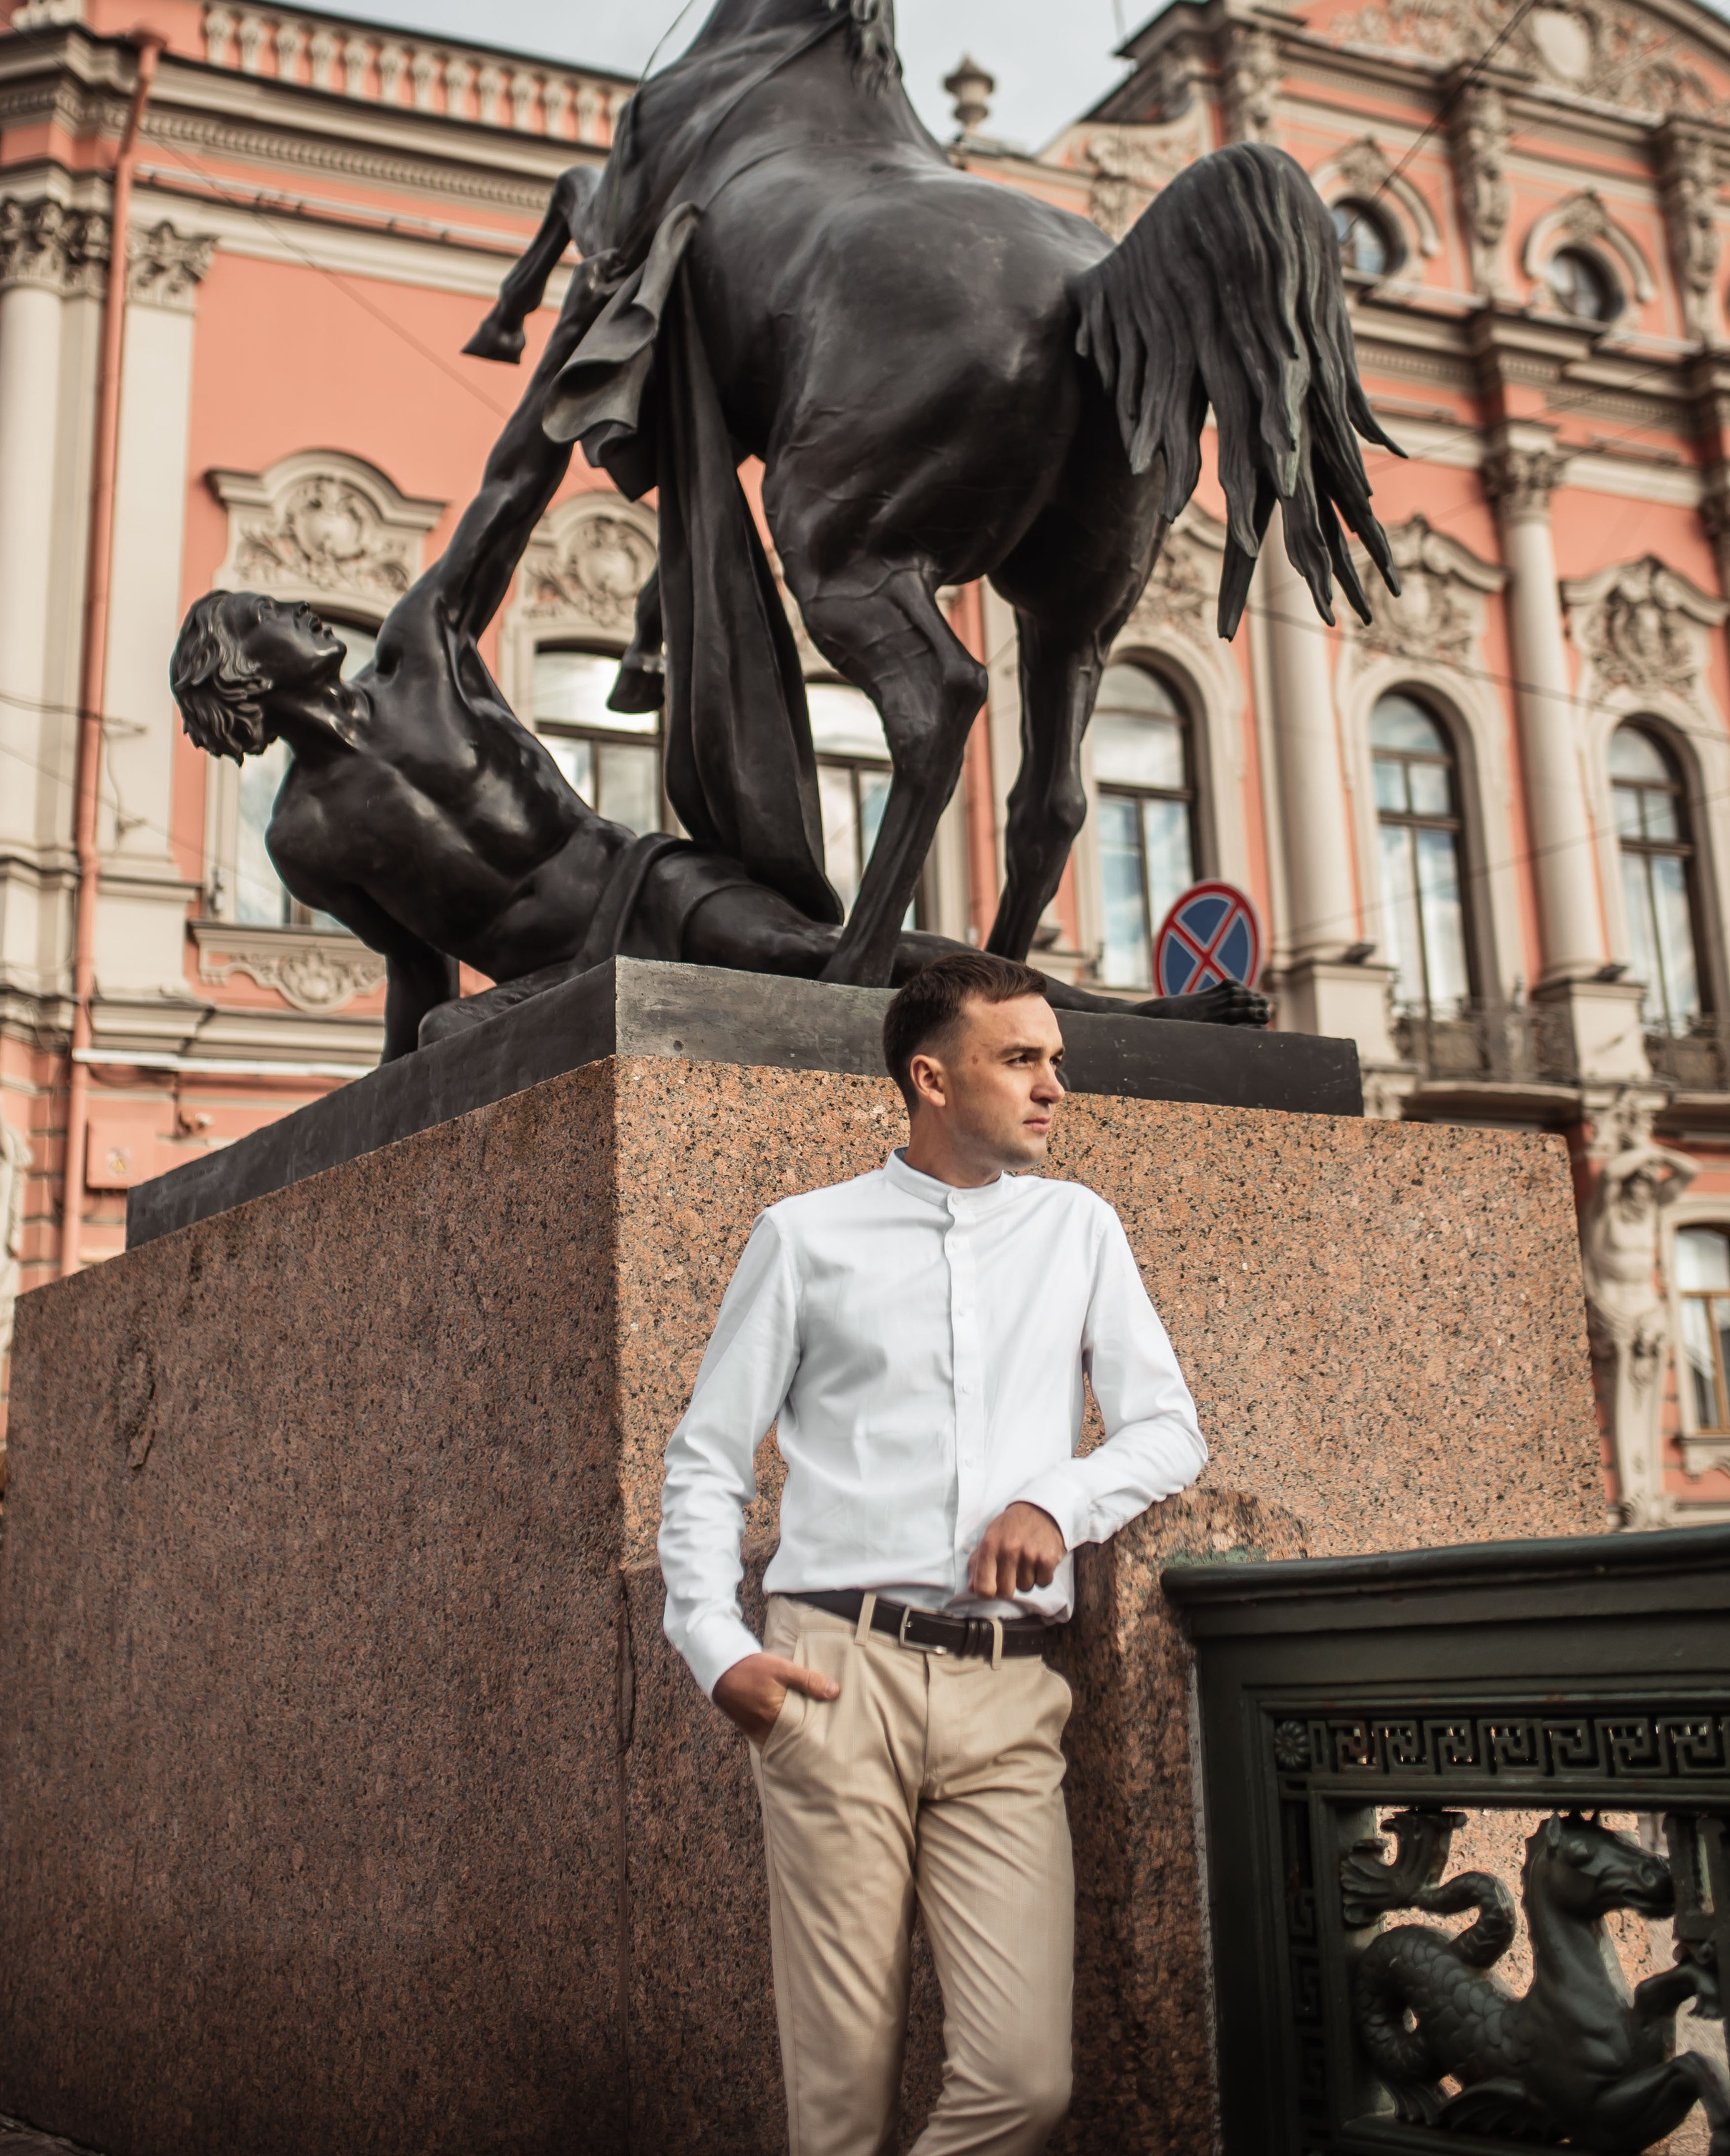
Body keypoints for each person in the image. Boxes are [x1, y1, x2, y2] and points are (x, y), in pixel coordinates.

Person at [170, 308, 1269, 1060]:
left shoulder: (420, 656)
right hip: (557, 981)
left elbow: (508, 493)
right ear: (239, 669)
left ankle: (1116, 1016)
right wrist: (392, 1118)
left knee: (813, 959)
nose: (298, 611)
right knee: (441, 1038)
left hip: (640, 887)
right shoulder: (303, 839)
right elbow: (419, 969)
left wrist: (583, 340)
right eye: (267, 615)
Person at [658, 950, 1207, 2155]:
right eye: (1021, 1060)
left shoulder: (1078, 1229)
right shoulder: (805, 1237)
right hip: (833, 1681)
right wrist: (713, 1644)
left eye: (1055, 1060)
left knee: (1024, 2082)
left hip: (1009, 1696)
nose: (1054, 1086)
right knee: (842, 2105)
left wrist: (1059, 1501)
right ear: (932, 1078)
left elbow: (1170, 1430)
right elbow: (707, 1455)